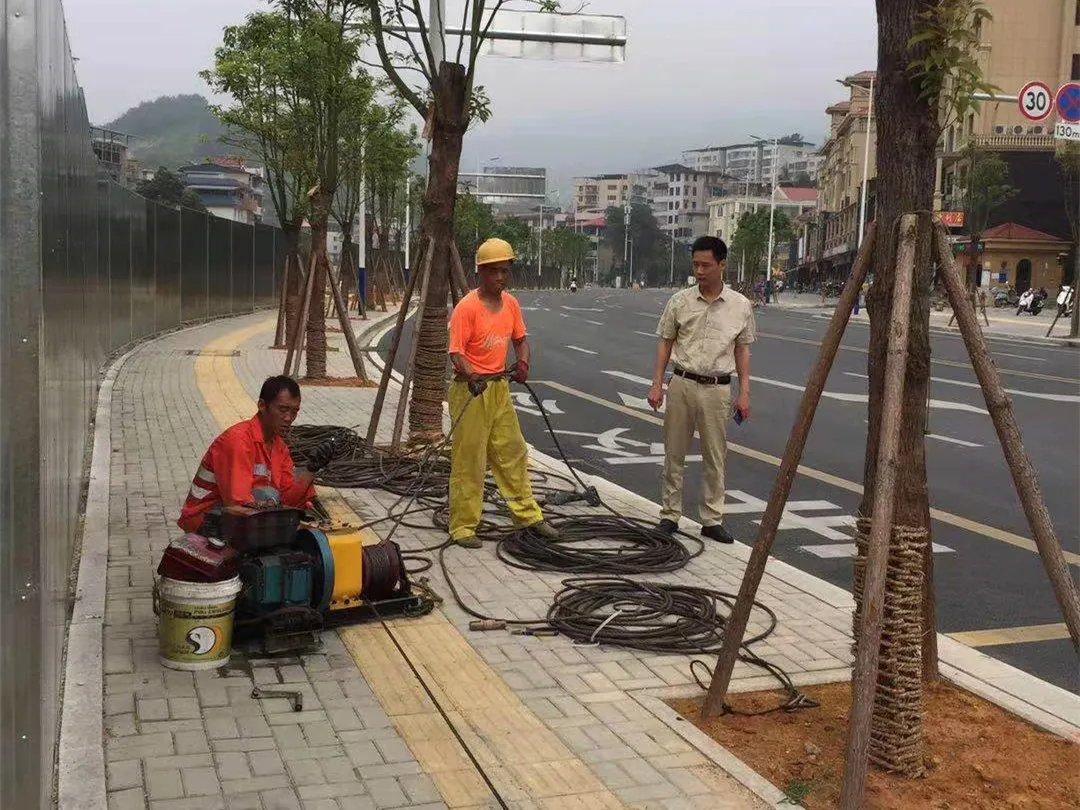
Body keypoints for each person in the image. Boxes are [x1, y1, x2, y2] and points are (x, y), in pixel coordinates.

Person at [447, 238, 558, 548]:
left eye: (505, 271)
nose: (500, 277)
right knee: (470, 460)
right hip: (470, 391)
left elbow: (521, 340)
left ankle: (527, 515)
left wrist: (522, 362)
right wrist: (472, 375)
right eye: (494, 271)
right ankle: (463, 526)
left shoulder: (510, 304)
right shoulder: (466, 308)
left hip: (498, 389)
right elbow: (456, 352)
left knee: (512, 452)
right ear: (480, 272)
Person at [647, 236, 755, 544]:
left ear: (722, 265)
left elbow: (742, 351)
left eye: (706, 265)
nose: (700, 271)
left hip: (717, 389)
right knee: (674, 453)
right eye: (695, 264)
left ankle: (712, 519)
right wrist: (657, 384)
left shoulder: (740, 306)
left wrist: (744, 392)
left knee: (715, 455)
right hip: (681, 382)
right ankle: (669, 515)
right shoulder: (680, 301)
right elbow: (665, 342)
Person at [177, 376, 337, 535]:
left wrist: (311, 469)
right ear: (262, 405)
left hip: (238, 517)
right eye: (283, 410)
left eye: (294, 411)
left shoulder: (279, 448)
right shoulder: (237, 441)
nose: (289, 418)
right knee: (268, 496)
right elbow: (237, 505)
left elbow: (289, 501)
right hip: (204, 521)